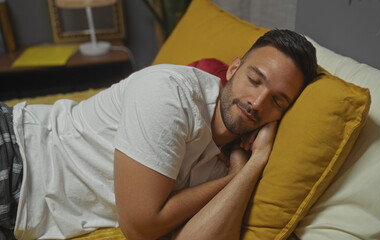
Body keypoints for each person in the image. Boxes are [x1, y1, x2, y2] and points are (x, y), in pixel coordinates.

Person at [0, 29, 317, 240]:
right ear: (234, 69)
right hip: (18, 153)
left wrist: (255, 163)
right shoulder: (169, 93)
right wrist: (235, 175)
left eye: (278, 100)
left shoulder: (236, 154)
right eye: (255, 79)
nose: (257, 103)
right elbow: (140, 225)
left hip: (19, 211)